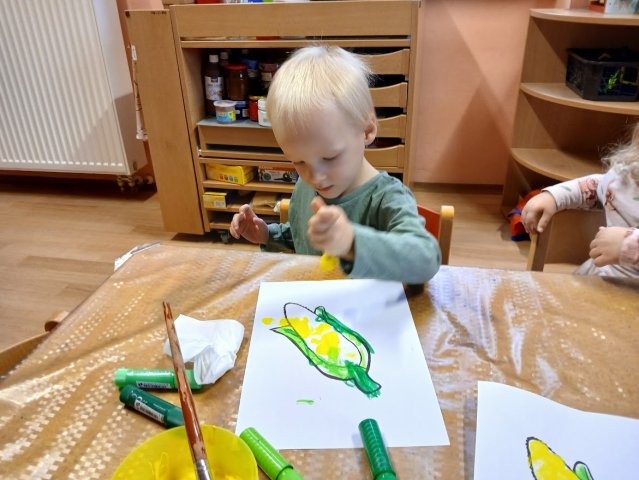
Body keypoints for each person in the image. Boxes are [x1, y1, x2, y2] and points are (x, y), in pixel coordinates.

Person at [230, 46, 441, 284]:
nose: (315, 176)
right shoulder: (306, 186)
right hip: (316, 302)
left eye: (330, 157)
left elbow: (426, 259)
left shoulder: (388, 198)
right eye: (299, 162)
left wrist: (352, 243)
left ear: (367, 131)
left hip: (367, 306)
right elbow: (305, 237)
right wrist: (267, 234)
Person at [521, 123, 639, 278]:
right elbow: (601, 187)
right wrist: (555, 196)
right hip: (598, 278)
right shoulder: (628, 174)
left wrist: (630, 246)